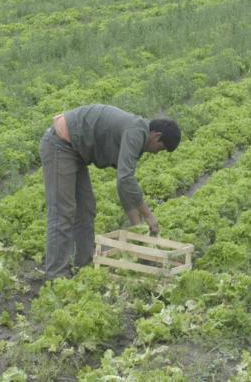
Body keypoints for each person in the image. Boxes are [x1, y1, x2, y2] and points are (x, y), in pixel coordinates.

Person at [41, 104, 181, 279]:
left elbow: (124, 187)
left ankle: (83, 265)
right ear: (156, 136)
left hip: (76, 151)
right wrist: (148, 215)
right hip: (60, 145)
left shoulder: (139, 133)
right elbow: (125, 179)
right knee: (63, 211)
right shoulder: (136, 132)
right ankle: (56, 275)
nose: (156, 153)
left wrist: (136, 226)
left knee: (86, 208)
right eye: (160, 148)